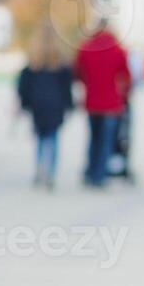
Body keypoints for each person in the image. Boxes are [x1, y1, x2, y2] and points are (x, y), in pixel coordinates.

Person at [73, 19, 131, 189]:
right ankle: (99, 175)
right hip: (111, 103)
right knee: (106, 141)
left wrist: (88, 84)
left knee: (93, 138)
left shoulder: (86, 47)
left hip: (92, 101)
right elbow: (126, 75)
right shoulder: (117, 49)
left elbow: (77, 73)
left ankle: (90, 172)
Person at [15, 25, 74, 191]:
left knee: (40, 138)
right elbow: (66, 86)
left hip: (38, 104)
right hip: (55, 104)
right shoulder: (60, 59)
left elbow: (23, 84)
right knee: (53, 138)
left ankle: (39, 168)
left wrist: (24, 102)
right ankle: (50, 172)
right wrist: (69, 104)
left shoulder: (34, 58)